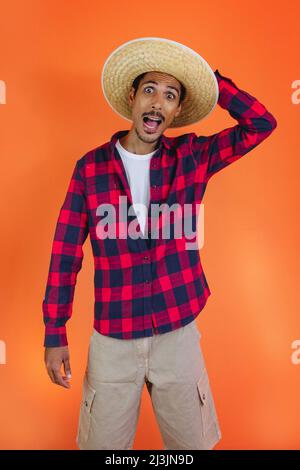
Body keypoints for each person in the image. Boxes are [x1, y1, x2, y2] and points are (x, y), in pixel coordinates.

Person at [42, 37, 277, 450]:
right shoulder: (90, 169)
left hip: (178, 333)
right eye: (150, 89)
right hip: (113, 339)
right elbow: (65, 253)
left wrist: (213, 83)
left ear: (176, 111)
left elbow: (261, 123)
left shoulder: (192, 157)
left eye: (171, 96)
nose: (157, 103)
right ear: (133, 97)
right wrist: (54, 329)